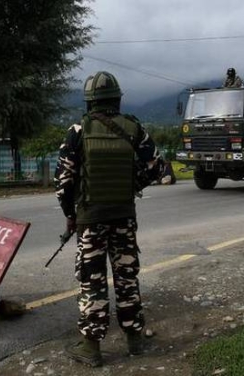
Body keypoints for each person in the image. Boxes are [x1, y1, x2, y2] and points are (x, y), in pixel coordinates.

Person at [54, 71, 163, 367]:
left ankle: (91, 347)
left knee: (93, 281)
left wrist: (70, 215)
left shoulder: (78, 130)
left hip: (90, 219)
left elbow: (63, 182)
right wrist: (132, 185)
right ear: (117, 99)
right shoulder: (134, 128)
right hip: (124, 217)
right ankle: (135, 340)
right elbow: (157, 167)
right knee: (127, 277)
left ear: (90, 102)